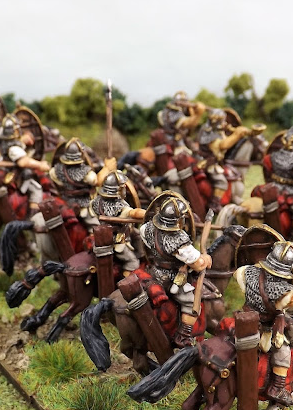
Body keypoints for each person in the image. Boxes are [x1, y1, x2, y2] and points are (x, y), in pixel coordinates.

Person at [234, 240, 293, 406]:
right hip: (263, 329)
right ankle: (277, 387)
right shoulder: (282, 294)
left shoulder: (246, 272)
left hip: (243, 318)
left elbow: (237, 273)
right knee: (284, 350)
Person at [139, 193, 212, 347]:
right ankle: (183, 336)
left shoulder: (147, 228)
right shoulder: (179, 240)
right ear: (179, 220)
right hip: (171, 278)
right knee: (191, 302)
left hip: (154, 271)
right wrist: (205, 258)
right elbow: (197, 264)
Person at [91, 170, 144, 274]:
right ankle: (126, 279)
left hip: (112, 234)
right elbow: (134, 213)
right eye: (123, 187)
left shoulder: (96, 201)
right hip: (116, 241)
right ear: (119, 190)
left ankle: (142, 255)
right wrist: (149, 214)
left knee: (137, 234)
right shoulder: (120, 208)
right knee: (133, 263)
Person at [196, 109, 251, 208]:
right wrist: (237, 134)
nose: (224, 123)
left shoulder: (217, 131)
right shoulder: (208, 132)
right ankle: (214, 204)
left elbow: (225, 141)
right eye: (222, 121)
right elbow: (223, 145)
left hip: (216, 162)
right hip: (207, 162)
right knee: (221, 181)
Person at [48, 137, 99, 231]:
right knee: (95, 225)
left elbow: (54, 178)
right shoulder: (87, 174)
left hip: (65, 199)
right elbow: (94, 181)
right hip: (83, 203)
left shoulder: (56, 170)